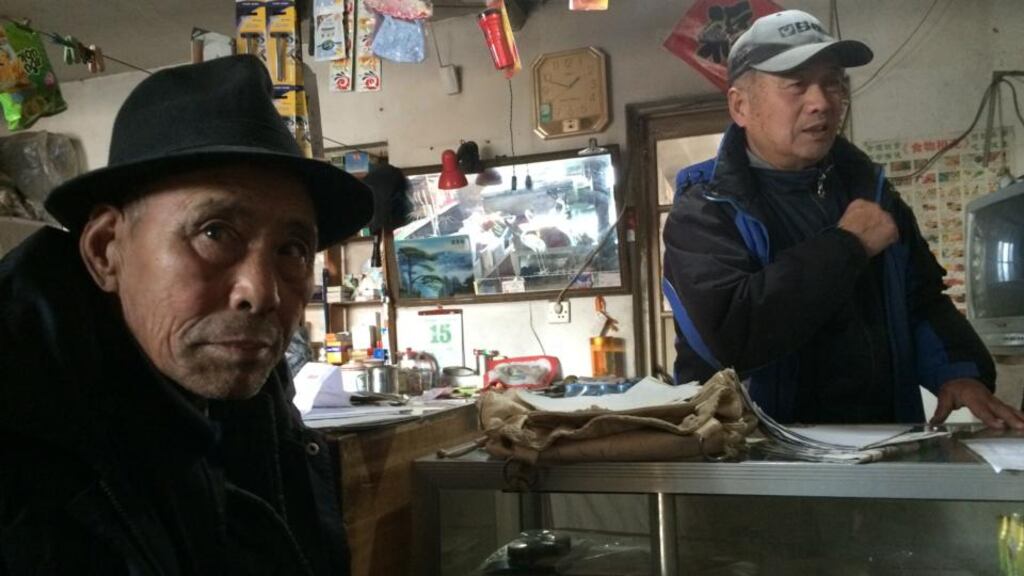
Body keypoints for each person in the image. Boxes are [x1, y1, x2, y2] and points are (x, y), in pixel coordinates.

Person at [0, 55, 373, 574]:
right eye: (214, 233)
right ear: (106, 250)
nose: (261, 293)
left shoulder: (254, 401)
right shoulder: (20, 442)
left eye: (292, 249)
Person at [663, 10, 1024, 429]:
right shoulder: (706, 206)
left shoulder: (871, 191)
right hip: (756, 451)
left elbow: (922, 298)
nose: (821, 102)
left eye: (833, 82)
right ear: (740, 106)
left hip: (883, 441)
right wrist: (847, 245)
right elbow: (731, 336)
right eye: (796, 84)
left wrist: (958, 370)